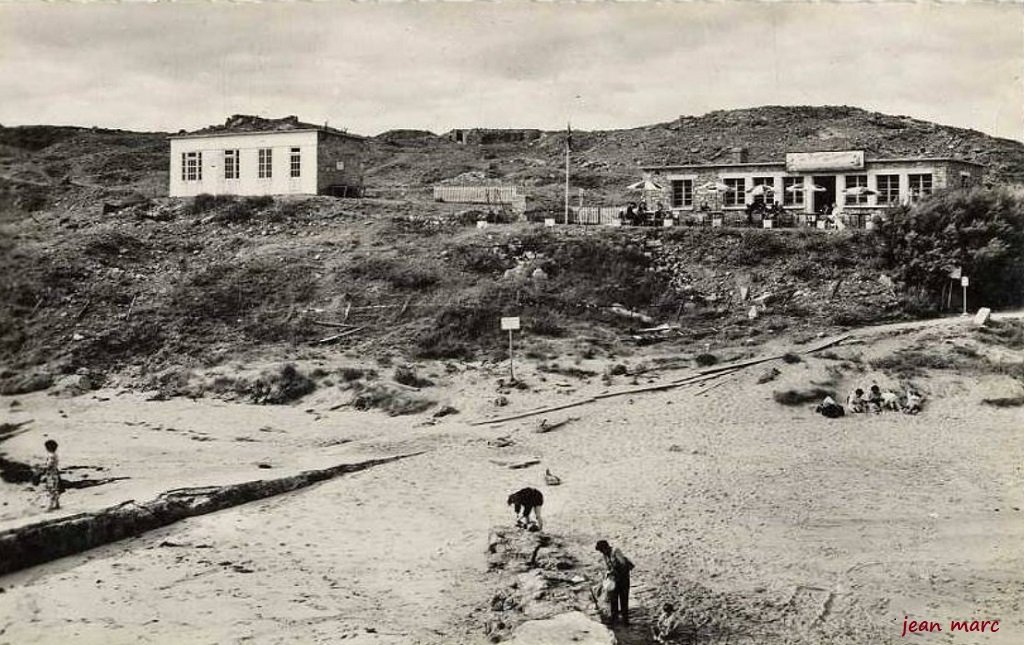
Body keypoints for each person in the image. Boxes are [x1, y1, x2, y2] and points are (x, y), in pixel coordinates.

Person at [595, 539, 634, 625]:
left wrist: (614, 571)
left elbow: (623, 564)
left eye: (602, 550)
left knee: (624, 599)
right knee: (613, 599)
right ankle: (614, 618)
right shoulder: (605, 556)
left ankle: (625, 620)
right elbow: (608, 568)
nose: (602, 552)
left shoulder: (616, 551)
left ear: (606, 547)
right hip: (614, 579)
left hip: (623, 578)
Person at [41, 439, 61, 511]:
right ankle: (57, 504)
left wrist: (42, 469)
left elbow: (49, 465)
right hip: (55, 472)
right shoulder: (55, 455)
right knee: (55, 488)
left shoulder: (51, 455)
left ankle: (51, 506)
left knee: (51, 489)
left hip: (51, 474)